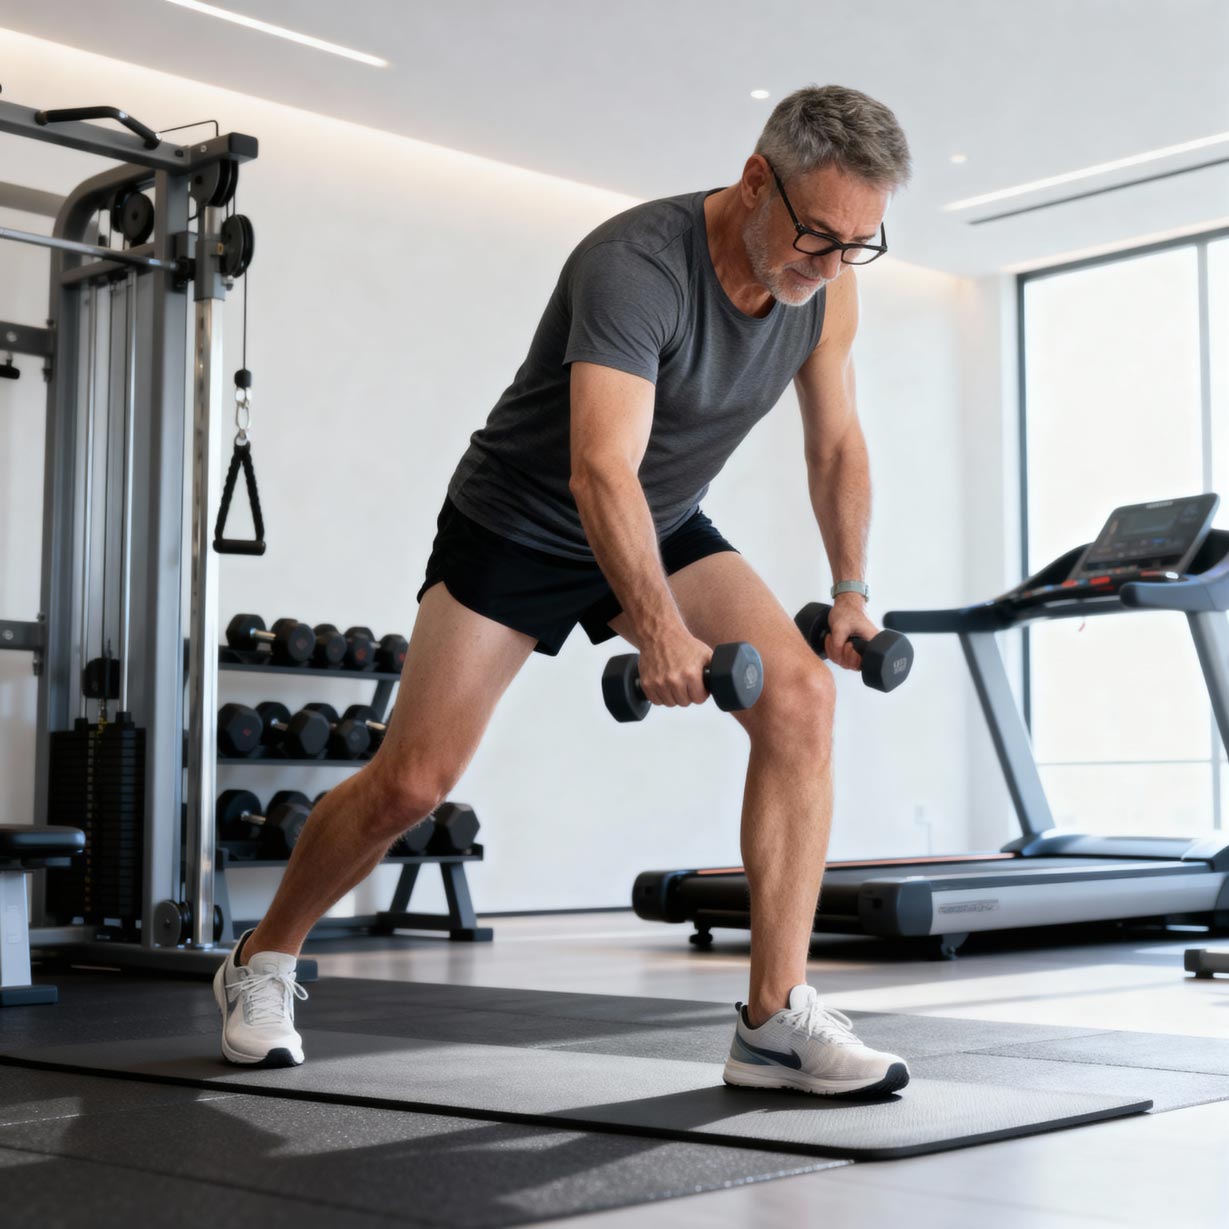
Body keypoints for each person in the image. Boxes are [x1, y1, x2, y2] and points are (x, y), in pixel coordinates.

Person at [215, 84, 913, 1097]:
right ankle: (261, 959)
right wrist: (661, 632)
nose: (832, 263)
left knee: (801, 697)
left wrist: (849, 587)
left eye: (858, 243)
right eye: (817, 234)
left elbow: (837, 442)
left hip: (662, 515)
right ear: (756, 180)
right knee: (412, 784)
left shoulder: (826, 287)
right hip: (520, 520)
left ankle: (771, 1020)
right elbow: (598, 469)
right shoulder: (635, 265)